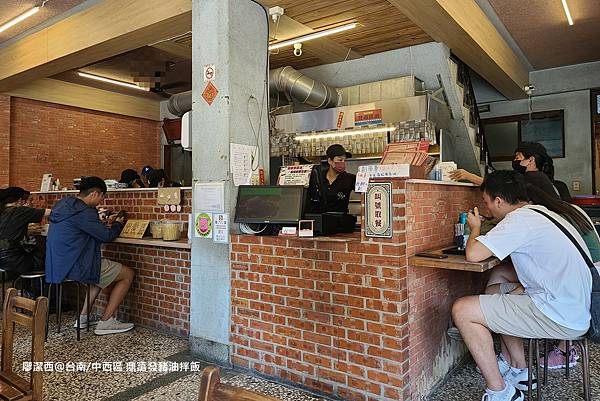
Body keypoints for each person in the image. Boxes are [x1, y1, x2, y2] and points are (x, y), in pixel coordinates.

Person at [452, 171, 592, 401]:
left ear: (498, 200)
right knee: (493, 291)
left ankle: (499, 391)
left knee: (462, 310)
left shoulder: (519, 221)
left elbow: (474, 254)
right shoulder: (541, 213)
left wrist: (475, 227)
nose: (488, 210)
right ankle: (520, 368)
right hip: (572, 306)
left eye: (487, 203)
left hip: (558, 314)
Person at [46, 176, 135, 336]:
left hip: (58, 265)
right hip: (76, 265)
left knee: (98, 275)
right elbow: (106, 236)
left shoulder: (64, 205)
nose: (101, 201)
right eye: (102, 197)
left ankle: (83, 318)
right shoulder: (84, 212)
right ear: (95, 193)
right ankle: (106, 322)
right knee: (127, 274)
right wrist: (118, 224)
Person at [450, 142, 566, 201]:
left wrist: (468, 176)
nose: (515, 161)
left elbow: (500, 185)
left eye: (518, 157)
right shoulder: (540, 177)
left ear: (530, 160)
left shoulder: (533, 178)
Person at [0, 187, 51, 277]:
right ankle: (36, 290)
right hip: (14, 260)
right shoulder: (20, 211)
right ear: (20, 200)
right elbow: (50, 212)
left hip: (2, 261)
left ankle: (24, 288)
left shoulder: (2, 211)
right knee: (45, 258)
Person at [306, 144, 356, 214]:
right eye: (340, 160)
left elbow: (365, 191)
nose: (343, 163)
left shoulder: (349, 178)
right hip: (319, 220)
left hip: (341, 221)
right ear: (330, 161)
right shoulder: (317, 177)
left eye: (344, 160)